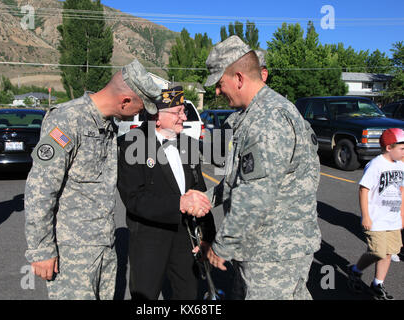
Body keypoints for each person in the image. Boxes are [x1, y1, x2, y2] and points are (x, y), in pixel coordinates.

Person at [193, 35, 322, 300]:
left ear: (239, 78)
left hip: (274, 255)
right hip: (263, 250)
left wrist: (221, 245)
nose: (217, 91)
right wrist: (206, 198)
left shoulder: (268, 119)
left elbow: (254, 195)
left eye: (220, 83)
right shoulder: (254, 116)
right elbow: (239, 181)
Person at [24, 59, 163, 300]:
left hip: (104, 247)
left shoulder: (108, 126)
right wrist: (41, 249)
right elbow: (39, 190)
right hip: (72, 255)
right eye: (141, 108)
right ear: (125, 101)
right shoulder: (67, 120)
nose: (140, 114)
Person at [117, 86, 215, 300]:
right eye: (178, 112)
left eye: (184, 111)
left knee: (188, 295)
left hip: (185, 238)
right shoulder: (132, 144)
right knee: (145, 298)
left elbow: (198, 193)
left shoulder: (188, 144)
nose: (184, 117)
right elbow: (134, 199)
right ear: (156, 117)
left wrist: (208, 236)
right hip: (148, 240)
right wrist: (178, 203)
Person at [347, 128, 404, 300]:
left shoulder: (400, 165)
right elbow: (364, 190)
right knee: (378, 251)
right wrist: (366, 215)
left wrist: (402, 215)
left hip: (393, 218)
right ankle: (355, 271)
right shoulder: (376, 165)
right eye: (402, 148)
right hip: (376, 218)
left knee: (388, 252)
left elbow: (402, 190)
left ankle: (377, 284)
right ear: (389, 148)